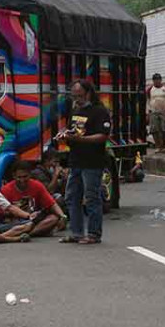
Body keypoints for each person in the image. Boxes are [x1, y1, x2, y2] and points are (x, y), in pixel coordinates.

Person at [56, 79, 110, 245]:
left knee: (91, 197)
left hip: (92, 162)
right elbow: (74, 130)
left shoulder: (99, 111)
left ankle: (94, 234)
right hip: (76, 160)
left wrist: (81, 139)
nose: (76, 99)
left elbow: (103, 136)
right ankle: (76, 232)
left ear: (88, 93)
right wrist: (64, 134)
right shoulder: (76, 110)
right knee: (72, 196)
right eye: (74, 96)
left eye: (79, 95)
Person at [1, 160, 67, 237]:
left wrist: (63, 216)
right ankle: (25, 232)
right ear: (14, 176)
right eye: (19, 177)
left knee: (53, 218)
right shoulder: (6, 189)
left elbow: (51, 203)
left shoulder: (37, 185)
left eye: (25, 176)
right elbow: (3, 212)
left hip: (34, 220)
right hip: (16, 221)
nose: (22, 180)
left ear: (30, 174)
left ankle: (28, 234)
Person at [147, 73, 165, 153]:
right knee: (154, 130)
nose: (157, 81)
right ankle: (157, 146)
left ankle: (163, 145)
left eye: (158, 79)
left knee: (163, 130)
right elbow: (148, 101)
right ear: (153, 81)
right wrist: (148, 113)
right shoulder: (150, 89)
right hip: (153, 112)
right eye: (155, 80)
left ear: (161, 80)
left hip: (164, 112)